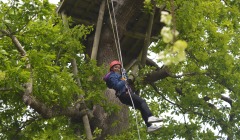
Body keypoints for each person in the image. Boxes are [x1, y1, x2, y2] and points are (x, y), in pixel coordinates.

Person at [103, 60, 163, 132]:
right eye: (115, 67)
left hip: (124, 96)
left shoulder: (117, 75)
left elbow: (124, 80)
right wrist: (124, 79)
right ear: (112, 68)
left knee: (141, 107)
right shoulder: (112, 76)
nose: (117, 69)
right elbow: (117, 86)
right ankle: (150, 117)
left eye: (119, 67)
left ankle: (149, 126)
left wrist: (124, 74)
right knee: (142, 102)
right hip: (124, 94)